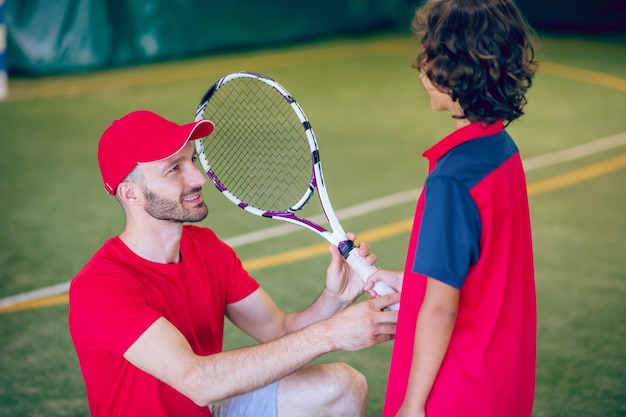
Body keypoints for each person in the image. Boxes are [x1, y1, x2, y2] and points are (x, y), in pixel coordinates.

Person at [68, 109, 400, 417]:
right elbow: (198, 382)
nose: (198, 178)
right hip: (197, 393)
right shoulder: (100, 287)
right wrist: (332, 334)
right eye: (175, 169)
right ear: (130, 194)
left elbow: (278, 331)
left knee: (341, 387)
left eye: (192, 161)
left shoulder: (207, 248)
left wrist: (336, 298)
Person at [365, 0, 538, 416]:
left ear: (452, 70)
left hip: (457, 389)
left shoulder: (451, 180)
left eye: (428, 51)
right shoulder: (501, 150)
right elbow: (481, 269)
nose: (419, 65)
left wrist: (413, 403)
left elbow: (442, 308)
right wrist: (412, 282)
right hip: (503, 379)